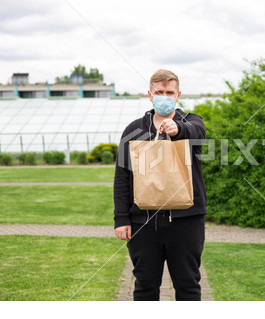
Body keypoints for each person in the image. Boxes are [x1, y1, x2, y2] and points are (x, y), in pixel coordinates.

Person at [113, 69, 207, 301]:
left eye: (169, 92)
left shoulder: (191, 122)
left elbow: (198, 134)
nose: (164, 96)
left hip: (186, 220)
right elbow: (122, 176)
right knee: (145, 286)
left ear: (178, 95)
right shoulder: (133, 130)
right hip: (143, 222)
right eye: (159, 92)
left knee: (188, 285)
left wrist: (178, 129)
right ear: (150, 95)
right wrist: (121, 218)